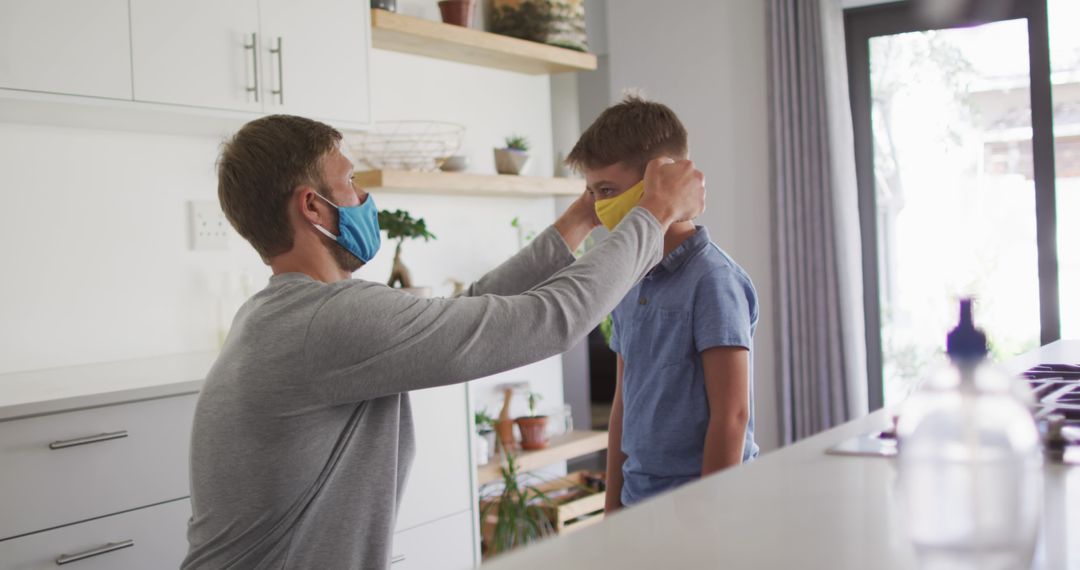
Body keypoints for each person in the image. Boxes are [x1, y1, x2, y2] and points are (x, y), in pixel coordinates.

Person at [182, 114, 705, 569]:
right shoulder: (329, 323)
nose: (363, 198)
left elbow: (465, 310)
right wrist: (653, 214)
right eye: (351, 181)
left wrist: (579, 219)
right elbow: (551, 321)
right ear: (314, 208)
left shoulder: (286, 311)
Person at [565, 95, 759, 512]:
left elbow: (733, 416)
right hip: (639, 504)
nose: (599, 207)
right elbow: (623, 400)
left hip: (698, 509)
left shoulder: (713, 280)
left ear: (663, 181)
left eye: (608, 191)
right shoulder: (627, 277)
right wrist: (612, 508)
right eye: (593, 192)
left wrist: (712, 522)